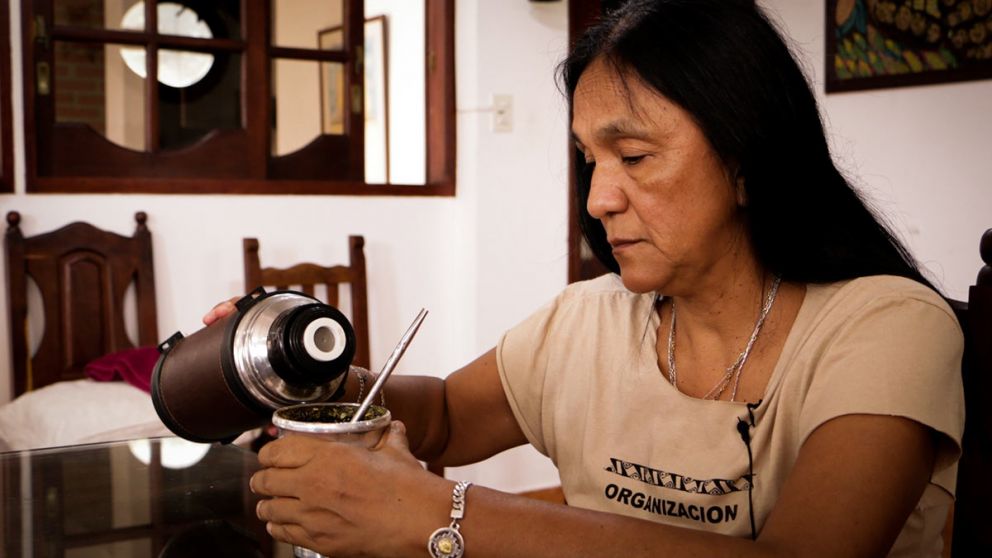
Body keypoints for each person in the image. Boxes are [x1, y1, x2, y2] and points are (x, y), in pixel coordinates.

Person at [205, 1, 964, 556]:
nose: (599, 198)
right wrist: (302, 377)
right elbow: (440, 416)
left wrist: (443, 514)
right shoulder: (587, 320)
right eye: (589, 162)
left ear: (746, 160)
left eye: (633, 157)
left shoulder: (888, 326)